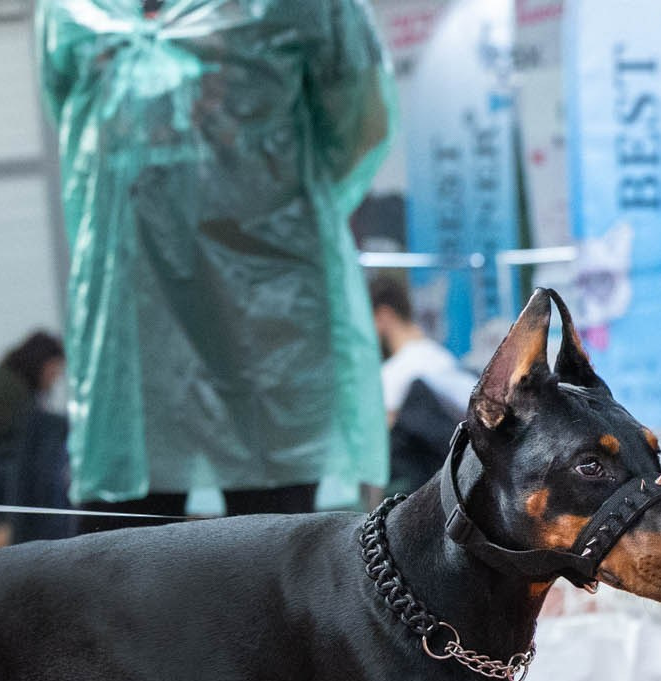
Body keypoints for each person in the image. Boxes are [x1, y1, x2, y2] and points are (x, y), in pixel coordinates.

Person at [39, 0, 396, 531]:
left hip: (264, 303)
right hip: (135, 317)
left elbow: (360, 119)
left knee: (262, 550)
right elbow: (74, 120)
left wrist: (258, 206)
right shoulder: (73, 10)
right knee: (119, 564)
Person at [0, 330, 72, 546]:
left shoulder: (6, 378)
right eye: (56, 370)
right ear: (44, 364)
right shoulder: (13, 391)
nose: (56, 378)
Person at [370, 276, 473, 496]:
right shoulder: (441, 357)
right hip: (459, 481)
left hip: (418, 492)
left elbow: (383, 457)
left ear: (383, 315)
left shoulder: (393, 374)